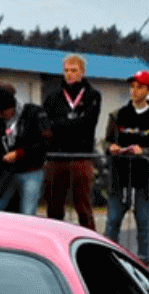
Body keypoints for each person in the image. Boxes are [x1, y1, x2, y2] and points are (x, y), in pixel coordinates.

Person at [103, 70, 149, 265]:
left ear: (148, 89)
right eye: (132, 87)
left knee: (143, 222)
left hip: (143, 178)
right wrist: (111, 147)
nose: (134, 91)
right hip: (119, 176)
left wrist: (144, 151)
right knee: (112, 221)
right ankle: (107, 258)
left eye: (139, 87)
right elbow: (105, 142)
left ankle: (144, 260)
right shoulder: (117, 115)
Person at [42, 54, 101, 229]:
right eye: (66, 70)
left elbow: (88, 124)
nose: (69, 74)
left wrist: (61, 123)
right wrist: (72, 122)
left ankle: (91, 244)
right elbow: (47, 125)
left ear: (82, 72)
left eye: (74, 70)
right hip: (56, 158)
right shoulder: (52, 96)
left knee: (83, 208)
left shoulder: (92, 95)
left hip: (81, 156)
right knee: (54, 208)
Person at [0, 87, 47, 214]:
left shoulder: (33, 113)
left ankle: (27, 233)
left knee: (28, 212)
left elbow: (44, 143)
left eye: (2, 112)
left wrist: (19, 153)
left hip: (31, 170)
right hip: (5, 171)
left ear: (10, 108)